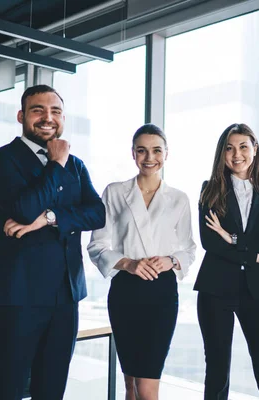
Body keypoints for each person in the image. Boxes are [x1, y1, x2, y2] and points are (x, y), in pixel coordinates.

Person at [0, 84, 106, 399]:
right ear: (22, 116)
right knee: (4, 388)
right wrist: (56, 165)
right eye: (38, 110)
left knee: (51, 388)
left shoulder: (75, 164)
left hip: (65, 296)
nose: (48, 118)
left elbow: (96, 214)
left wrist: (49, 218)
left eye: (56, 111)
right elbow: (23, 209)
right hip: (16, 296)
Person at [88, 123, 196, 400]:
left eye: (156, 150)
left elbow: (189, 249)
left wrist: (170, 260)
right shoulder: (114, 192)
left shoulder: (179, 199)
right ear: (133, 154)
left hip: (162, 293)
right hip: (126, 290)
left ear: (167, 154)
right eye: (142, 151)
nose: (150, 157)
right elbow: (97, 245)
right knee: (130, 385)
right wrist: (128, 263)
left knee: (147, 388)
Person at [195, 123, 259, 400]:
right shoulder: (209, 190)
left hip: (257, 291)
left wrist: (232, 238)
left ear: (255, 149)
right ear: (222, 153)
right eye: (230, 148)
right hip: (216, 289)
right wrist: (255, 251)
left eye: (243, 146)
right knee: (217, 370)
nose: (237, 154)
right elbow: (210, 242)